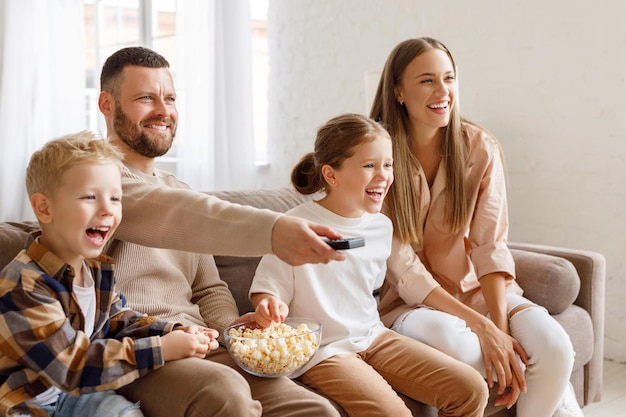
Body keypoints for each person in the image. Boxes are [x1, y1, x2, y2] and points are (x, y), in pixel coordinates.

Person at [97, 46, 341, 417]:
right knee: (228, 395)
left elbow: (208, 288)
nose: (164, 111)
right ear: (107, 104)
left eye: (171, 98)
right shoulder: (96, 182)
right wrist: (274, 230)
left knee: (313, 409)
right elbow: (177, 216)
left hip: (205, 345)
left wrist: (234, 330)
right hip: (143, 351)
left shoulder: (179, 189)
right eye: (146, 98)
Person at [370, 37, 584, 417]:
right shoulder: (376, 157)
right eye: (426, 81)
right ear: (398, 91)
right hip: (408, 305)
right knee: (464, 348)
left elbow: (490, 246)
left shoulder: (479, 147)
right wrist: (481, 331)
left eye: (449, 78)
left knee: (555, 347)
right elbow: (404, 269)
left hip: (476, 292)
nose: (443, 91)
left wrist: (498, 327)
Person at [249, 113, 489, 417]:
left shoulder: (381, 227)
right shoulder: (295, 227)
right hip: (324, 351)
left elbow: (412, 280)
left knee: (470, 389)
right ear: (331, 175)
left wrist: (481, 324)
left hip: (373, 336)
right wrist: (269, 305)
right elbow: (269, 289)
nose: (384, 175)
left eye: (387, 165)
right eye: (369, 166)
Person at [0, 132, 213, 417]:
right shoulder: (23, 285)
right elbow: (72, 366)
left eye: (115, 198)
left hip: (77, 397)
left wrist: (173, 331)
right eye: (90, 197)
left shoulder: (95, 270)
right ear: (44, 208)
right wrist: (161, 348)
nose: (107, 210)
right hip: (25, 402)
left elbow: (120, 321)